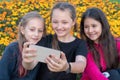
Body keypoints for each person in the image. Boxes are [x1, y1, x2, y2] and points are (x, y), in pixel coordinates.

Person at [22, 2, 88, 80]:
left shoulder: (79, 44)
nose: (59, 27)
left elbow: (81, 65)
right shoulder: (45, 40)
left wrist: (66, 66)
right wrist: (27, 61)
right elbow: (31, 65)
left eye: (64, 22)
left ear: (73, 22)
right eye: (55, 22)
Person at [0, 11, 46, 80]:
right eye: (32, 30)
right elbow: (3, 76)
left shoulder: (42, 50)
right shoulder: (12, 50)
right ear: (22, 30)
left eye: (40, 31)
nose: (36, 34)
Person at [80, 7, 120, 80]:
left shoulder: (115, 43)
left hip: (109, 75)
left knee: (115, 73)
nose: (90, 30)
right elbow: (95, 75)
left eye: (94, 26)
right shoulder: (84, 48)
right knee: (114, 75)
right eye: (86, 27)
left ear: (102, 25)